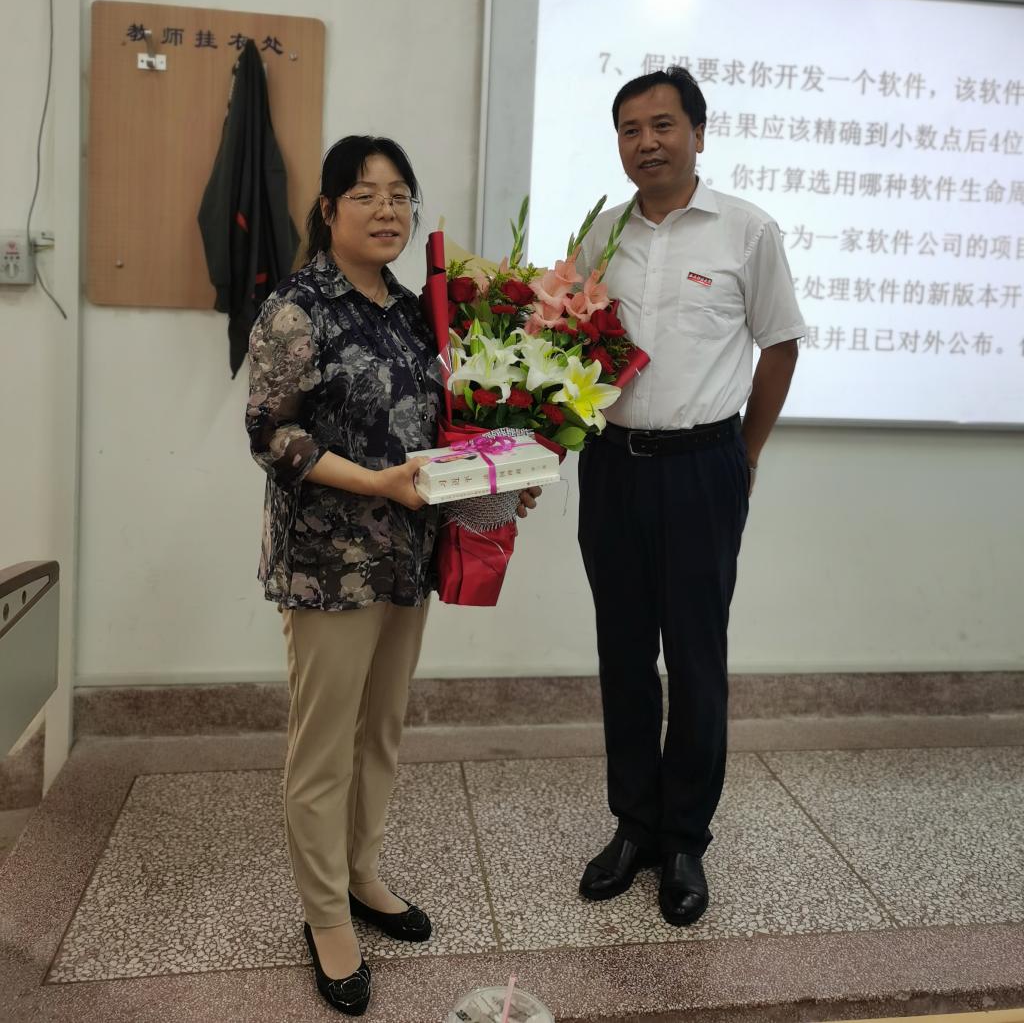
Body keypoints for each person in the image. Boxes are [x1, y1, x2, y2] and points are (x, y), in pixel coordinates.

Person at [246, 136, 541, 1015]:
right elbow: (273, 436)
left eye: (400, 194)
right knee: (323, 742)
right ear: (328, 208)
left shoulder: (415, 312)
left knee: (381, 729)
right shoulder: (297, 308)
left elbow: (442, 434)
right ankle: (325, 914)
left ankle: (362, 872)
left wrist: (494, 484)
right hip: (328, 565)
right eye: (365, 193)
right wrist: (376, 483)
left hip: (406, 557)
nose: (386, 209)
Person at [575, 67, 805, 928]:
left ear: (698, 134)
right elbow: (569, 341)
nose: (647, 142)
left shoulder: (746, 230)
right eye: (630, 128)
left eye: (663, 124)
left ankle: (684, 840)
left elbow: (780, 344)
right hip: (613, 465)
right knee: (624, 653)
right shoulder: (600, 234)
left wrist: (744, 454)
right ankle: (634, 824)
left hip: (704, 464)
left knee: (697, 659)